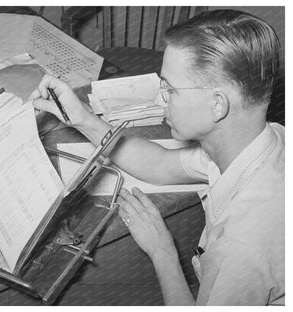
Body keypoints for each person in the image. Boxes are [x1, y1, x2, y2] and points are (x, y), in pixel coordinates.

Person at [28, 9, 284, 305]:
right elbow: (162, 164)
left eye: (170, 90)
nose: (160, 99)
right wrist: (84, 119)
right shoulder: (263, 140)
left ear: (218, 105)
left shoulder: (241, 246)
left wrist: (162, 251)